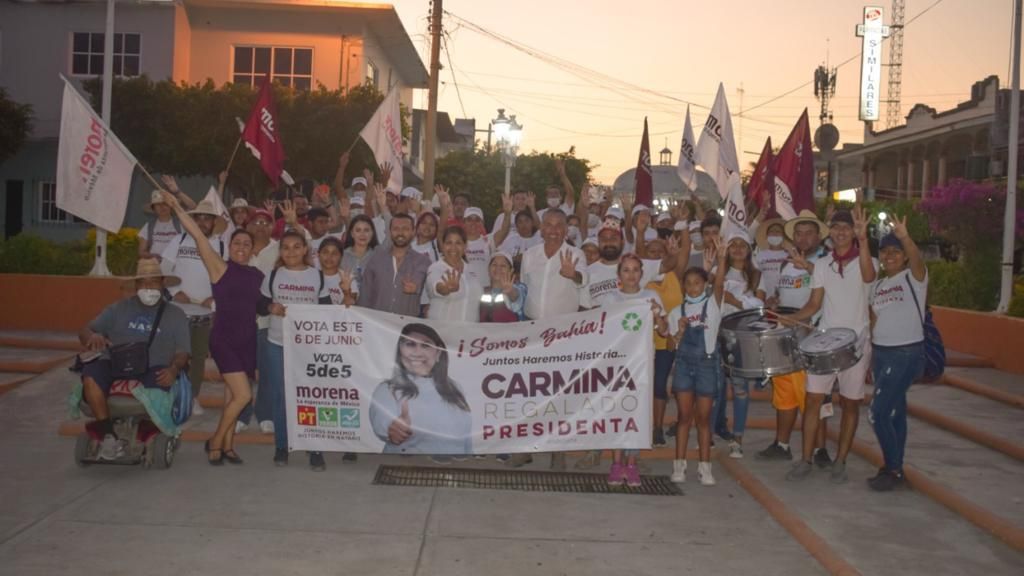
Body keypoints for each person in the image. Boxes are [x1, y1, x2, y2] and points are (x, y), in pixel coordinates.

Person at [163, 191, 262, 466]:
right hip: (224, 340)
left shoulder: (258, 275)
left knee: (232, 396)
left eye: (247, 244)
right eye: (237, 243)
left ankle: (228, 446)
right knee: (244, 395)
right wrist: (176, 206)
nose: (241, 247)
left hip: (247, 341)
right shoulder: (219, 267)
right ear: (229, 246)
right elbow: (197, 235)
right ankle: (215, 441)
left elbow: (263, 304)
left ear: (253, 249)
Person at [784, 206, 877, 484]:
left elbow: (869, 277)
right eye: (836, 228)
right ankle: (806, 459)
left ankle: (841, 460)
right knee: (813, 400)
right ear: (830, 233)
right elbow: (814, 304)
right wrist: (789, 319)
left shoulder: (868, 260)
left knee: (850, 404)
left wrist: (863, 240)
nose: (840, 232)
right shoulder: (823, 265)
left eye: (846, 228)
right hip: (824, 342)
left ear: (854, 232)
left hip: (856, 342)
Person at [78, 258, 190, 460]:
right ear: (136, 286)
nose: (148, 287)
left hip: (153, 366)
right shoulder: (118, 309)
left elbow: (183, 351)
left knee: (160, 381)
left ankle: (148, 428)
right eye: (143, 282)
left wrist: (174, 369)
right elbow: (85, 330)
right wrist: (92, 336)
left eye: (153, 282)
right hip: (116, 363)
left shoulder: (176, 315)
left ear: (162, 283)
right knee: (90, 376)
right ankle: (107, 435)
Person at [755, 210, 831, 465]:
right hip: (784, 335)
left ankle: (820, 450)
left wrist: (807, 267)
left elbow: (830, 289)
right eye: (799, 233)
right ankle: (782, 444)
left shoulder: (826, 261)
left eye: (809, 233)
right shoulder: (786, 263)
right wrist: (774, 301)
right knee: (784, 393)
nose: (803, 238)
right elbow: (782, 293)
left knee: (815, 396)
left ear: (818, 236)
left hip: (812, 337)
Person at [520, 209, 588, 470]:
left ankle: (557, 450)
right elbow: (524, 289)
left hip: (563, 335)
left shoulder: (576, 255)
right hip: (532, 333)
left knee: (559, 393)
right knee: (529, 392)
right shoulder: (529, 255)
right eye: (548, 224)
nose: (553, 230)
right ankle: (525, 448)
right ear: (541, 229)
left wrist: (573, 274)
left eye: (559, 225)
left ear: (566, 230)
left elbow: (582, 281)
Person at [258, 229, 332, 471]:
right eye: (286, 247)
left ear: (305, 250)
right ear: (280, 251)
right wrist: (270, 307)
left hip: (308, 347)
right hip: (277, 344)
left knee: (310, 396)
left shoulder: (317, 276)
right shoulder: (273, 275)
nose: (291, 251)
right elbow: (260, 304)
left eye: (296, 247)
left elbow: (327, 310)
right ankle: (282, 445)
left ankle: (315, 448)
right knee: (281, 396)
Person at [867, 218, 927, 491]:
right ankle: (896, 467)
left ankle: (892, 468)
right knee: (894, 412)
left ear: (903, 257)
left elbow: (917, 259)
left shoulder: (914, 279)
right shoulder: (878, 286)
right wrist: (870, 356)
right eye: (884, 251)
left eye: (895, 251)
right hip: (881, 353)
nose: (889, 256)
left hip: (905, 353)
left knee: (876, 413)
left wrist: (905, 237)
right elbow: (874, 321)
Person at [602, 254, 668, 487]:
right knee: (617, 411)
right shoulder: (611, 298)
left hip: (642, 364)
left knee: (637, 412)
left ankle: (631, 464)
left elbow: (664, 331)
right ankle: (616, 463)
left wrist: (657, 314)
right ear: (619, 274)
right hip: (617, 364)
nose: (631, 275)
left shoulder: (651, 296)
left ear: (642, 273)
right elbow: (603, 330)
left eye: (635, 270)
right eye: (626, 270)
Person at [667, 239, 728, 486]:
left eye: (697, 283)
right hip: (683, 366)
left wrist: (721, 260)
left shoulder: (712, 305)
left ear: (705, 284)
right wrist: (679, 333)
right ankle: (679, 465)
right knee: (683, 417)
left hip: (706, 366)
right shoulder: (676, 312)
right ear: (683, 286)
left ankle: (705, 466)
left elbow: (720, 284)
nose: (693, 287)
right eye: (688, 283)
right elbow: (670, 346)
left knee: (703, 418)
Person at [160, 198, 226, 414]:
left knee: (198, 357)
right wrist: (174, 291)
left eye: (207, 219)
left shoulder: (221, 246)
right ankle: (167, 396)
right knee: (173, 354)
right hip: (177, 311)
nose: (203, 222)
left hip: (205, 313)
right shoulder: (178, 241)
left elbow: (226, 278)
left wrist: (214, 299)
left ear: (214, 222)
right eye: (199, 218)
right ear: (193, 220)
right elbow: (164, 270)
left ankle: (192, 397)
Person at [369, 323, 472, 454]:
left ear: (438, 353)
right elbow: (383, 423)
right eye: (410, 344)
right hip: (406, 465)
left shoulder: (454, 387)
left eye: (426, 345)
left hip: (456, 465)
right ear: (400, 351)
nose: (417, 352)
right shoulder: (388, 389)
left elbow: (466, 440)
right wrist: (393, 429)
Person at [718, 230, 764, 459]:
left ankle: (738, 439)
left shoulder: (757, 276)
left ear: (749, 249)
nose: (737, 249)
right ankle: (711, 433)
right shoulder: (717, 272)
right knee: (714, 388)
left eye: (742, 245)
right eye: (732, 244)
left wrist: (737, 302)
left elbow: (760, 306)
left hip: (743, 338)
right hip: (716, 335)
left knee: (740, 389)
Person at [357, 208, 431, 317]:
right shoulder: (376, 259)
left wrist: (415, 287)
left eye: (405, 229)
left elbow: (423, 281)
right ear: (390, 231)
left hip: (406, 325)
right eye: (396, 229)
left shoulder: (423, 261)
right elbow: (365, 296)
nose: (400, 233)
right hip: (377, 323)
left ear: (413, 231)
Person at [426, 227, 483, 322]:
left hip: (470, 330)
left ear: (465, 246)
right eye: (449, 243)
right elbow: (437, 287)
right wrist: (446, 289)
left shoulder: (472, 269)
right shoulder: (435, 268)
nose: (453, 247)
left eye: (458, 243)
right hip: (442, 329)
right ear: (442, 245)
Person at [138, 190, 183, 261]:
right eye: (158, 204)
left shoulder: (181, 224)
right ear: (153, 208)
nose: (162, 207)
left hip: (177, 264)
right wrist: (152, 256)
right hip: (155, 264)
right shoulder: (149, 226)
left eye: (165, 203)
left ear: (171, 206)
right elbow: (141, 252)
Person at [754, 219, 790, 300]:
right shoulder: (759, 256)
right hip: (763, 298)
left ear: (784, 236)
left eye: (778, 231)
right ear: (767, 236)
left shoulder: (789, 256)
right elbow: (755, 277)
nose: (775, 233)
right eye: (771, 231)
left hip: (784, 298)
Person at [341, 213, 379, 290]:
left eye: (366, 230)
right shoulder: (342, 256)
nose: (362, 234)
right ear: (352, 233)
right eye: (358, 230)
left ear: (372, 233)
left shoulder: (378, 257)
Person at [319, 237, 358, 307]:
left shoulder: (348, 278)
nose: (329, 257)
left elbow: (350, 307)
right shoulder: (313, 275)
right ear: (318, 254)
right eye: (325, 252)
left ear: (341, 257)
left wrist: (346, 291)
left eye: (334, 253)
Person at [462, 207, 493, 284]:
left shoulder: (489, 241)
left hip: (485, 289)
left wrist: (507, 213)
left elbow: (504, 230)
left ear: (482, 223)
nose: (473, 223)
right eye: (469, 220)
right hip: (464, 288)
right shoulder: (457, 243)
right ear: (464, 223)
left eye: (477, 220)